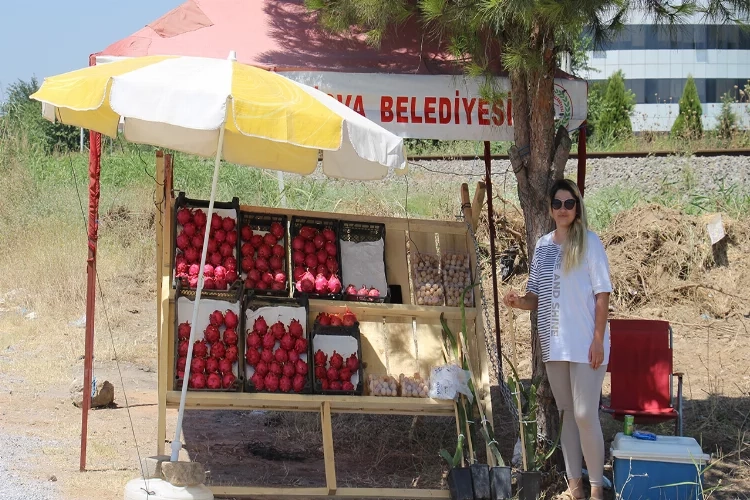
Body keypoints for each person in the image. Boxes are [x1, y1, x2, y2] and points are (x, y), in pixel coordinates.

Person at [503, 179, 612, 500]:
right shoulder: (543, 246)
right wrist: (518, 301)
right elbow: (535, 296)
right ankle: (574, 486)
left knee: (584, 414)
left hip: (587, 343)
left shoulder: (590, 243)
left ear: (577, 207)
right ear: (550, 209)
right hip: (555, 344)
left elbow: (603, 294)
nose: (563, 209)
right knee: (566, 414)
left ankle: (595, 489)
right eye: (557, 204)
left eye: (569, 203)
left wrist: (598, 340)